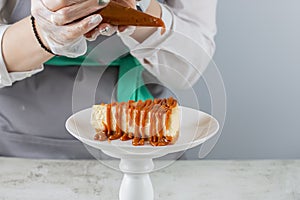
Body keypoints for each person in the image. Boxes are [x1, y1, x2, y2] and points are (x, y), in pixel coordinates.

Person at [0, 0, 217, 159]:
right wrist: (45, 32)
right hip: (18, 148)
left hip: (147, 145)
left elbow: (190, 67)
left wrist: (140, 6)